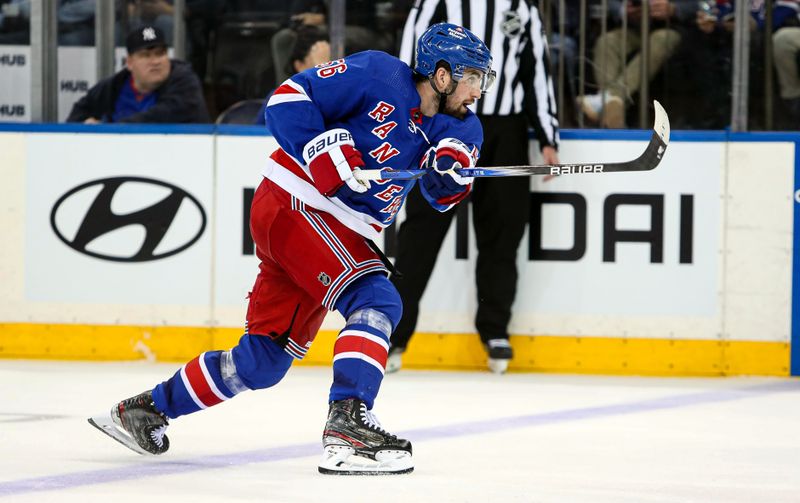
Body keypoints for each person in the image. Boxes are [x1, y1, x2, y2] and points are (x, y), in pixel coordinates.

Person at [88, 22, 494, 475]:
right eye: (474, 77)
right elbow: (286, 99)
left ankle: (146, 410)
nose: (479, 89)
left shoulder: (467, 125)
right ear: (441, 75)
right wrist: (329, 155)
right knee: (376, 298)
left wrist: (448, 177)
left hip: (331, 230)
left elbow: (443, 189)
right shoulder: (379, 74)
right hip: (296, 202)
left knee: (262, 363)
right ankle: (348, 424)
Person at [391, 0, 559, 375]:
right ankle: (394, 334)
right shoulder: (434, 2)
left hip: (505, 131)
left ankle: (494, 329)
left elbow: (536, 70)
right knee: (421, 232)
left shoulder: (522, 6)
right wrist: (409, 121)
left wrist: (548, 135)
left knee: (503, 231)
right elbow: (409, 63)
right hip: (443, 124)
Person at [575, 0, 694, 128]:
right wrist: (623, 10)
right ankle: (613, 112)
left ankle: (607, 99)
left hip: (672, 28)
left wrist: (673, 9)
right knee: (607, 42)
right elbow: (611, 3)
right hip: (633, 28)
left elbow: (697, 5)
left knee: (660, 39)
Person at [66, 24, 209, 123]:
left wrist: (108, 126)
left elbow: (163, 116)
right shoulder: (115, 85)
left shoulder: (185, 81)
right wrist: (86, 124)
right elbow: (77, 114)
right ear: (129, 63)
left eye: (160, 54)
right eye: (146, 55)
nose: (155, 61)